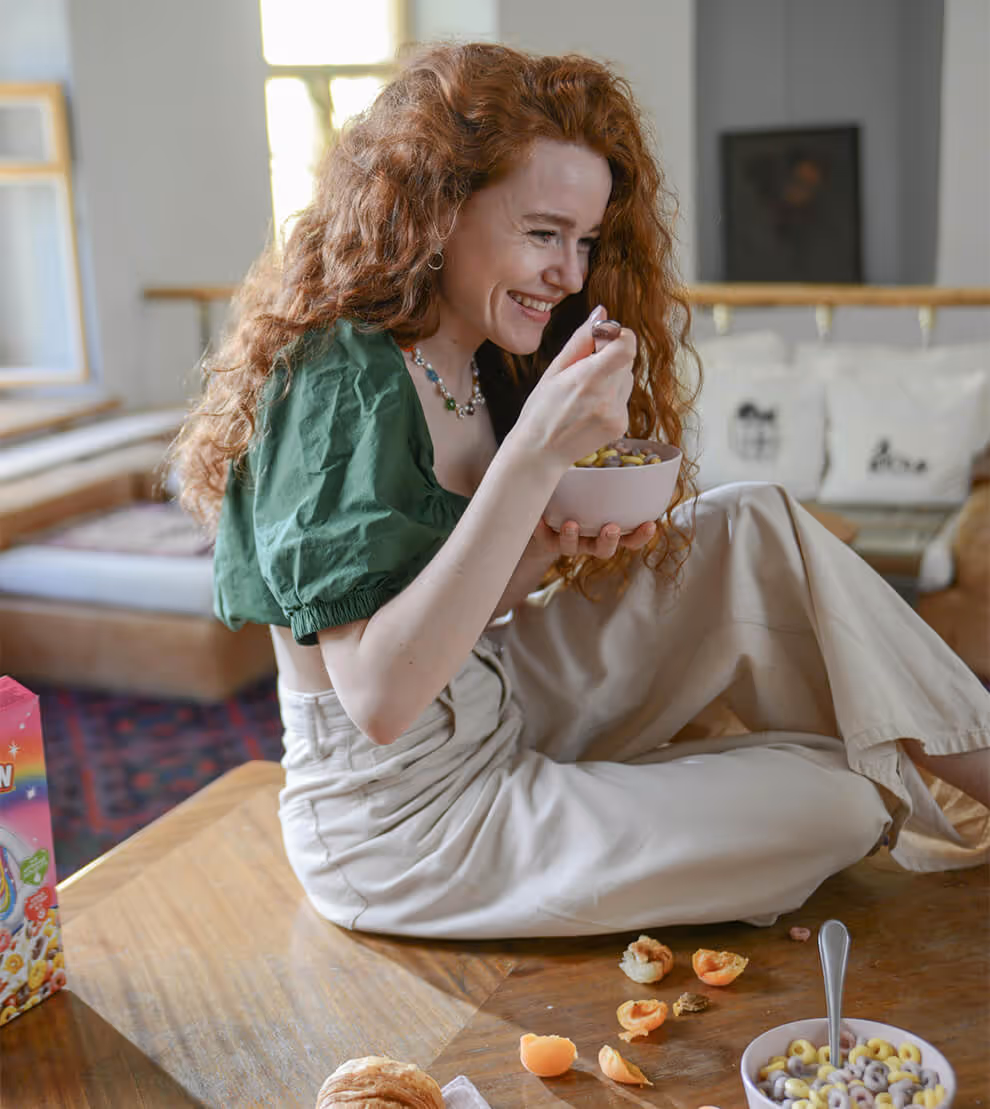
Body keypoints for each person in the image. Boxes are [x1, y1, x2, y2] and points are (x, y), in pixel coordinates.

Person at [173, 42, 990, 940]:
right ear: (437, 207)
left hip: (498, 698)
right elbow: (376, 698)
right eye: (542, 232)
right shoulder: (336, 379)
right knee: (845, 793)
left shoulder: (478, 361)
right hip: (406, 827)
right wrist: (530, 459)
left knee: (756, 517)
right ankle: (796, 773)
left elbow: (457, 606)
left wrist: (545, 546)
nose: (569, 272)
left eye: (586, 240)